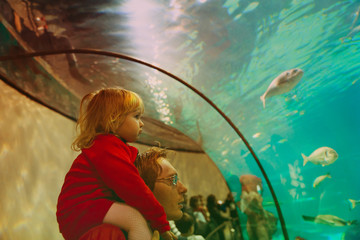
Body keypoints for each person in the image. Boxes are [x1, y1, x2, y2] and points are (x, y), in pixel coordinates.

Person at [56, 88, 174, 240]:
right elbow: (134, 188)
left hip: (79, 212)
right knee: (136, 220)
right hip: (82, 210)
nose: (142, 123)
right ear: (114, 118)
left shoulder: (107, 147)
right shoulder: (107, 148)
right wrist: (162, 224)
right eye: (136, 116)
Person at [239, 174, 278, 240]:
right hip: (254, 222)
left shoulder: (251, 196)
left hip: (259, 222)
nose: (243, 187)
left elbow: (251, 208)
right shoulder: (248, 196)